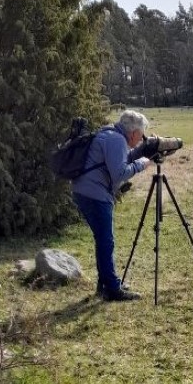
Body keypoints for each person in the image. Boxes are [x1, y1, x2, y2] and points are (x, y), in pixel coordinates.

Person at [71, 110, 152, 302]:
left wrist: (140, 153)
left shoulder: (109, 134)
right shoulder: (116, 140)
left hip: (85, 190)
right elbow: (119, 173)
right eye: (141, 135)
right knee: (106, 241)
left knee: (103, 239)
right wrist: (141, 163)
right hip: (94, 194)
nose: (142, 139)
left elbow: (118, 160)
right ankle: (113, 290)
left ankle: (105, 284)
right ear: (133, 132)